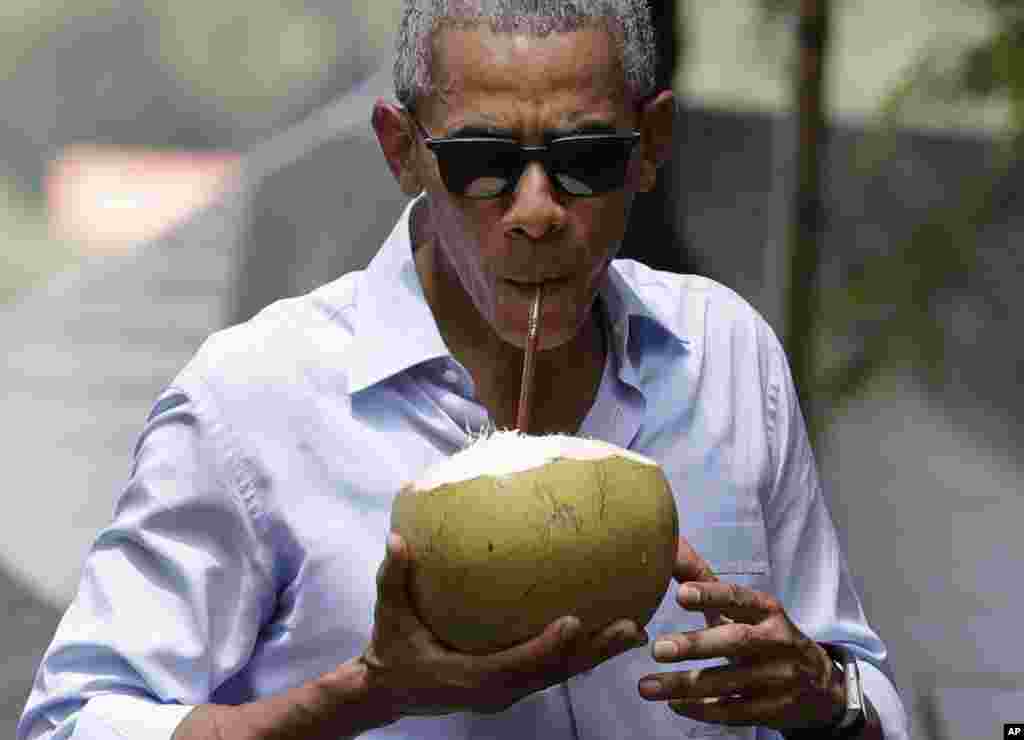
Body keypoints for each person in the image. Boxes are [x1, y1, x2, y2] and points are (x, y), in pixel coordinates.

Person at [18, 2, 910, 739]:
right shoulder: (258, 399)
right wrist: (366, 695)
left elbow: (867, 695)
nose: (536, 213)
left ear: (651, 145)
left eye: (585, 162)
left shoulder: (724, 354)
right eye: (483, 165)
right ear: (401, 148)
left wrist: (828, 699)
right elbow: (72, 725)